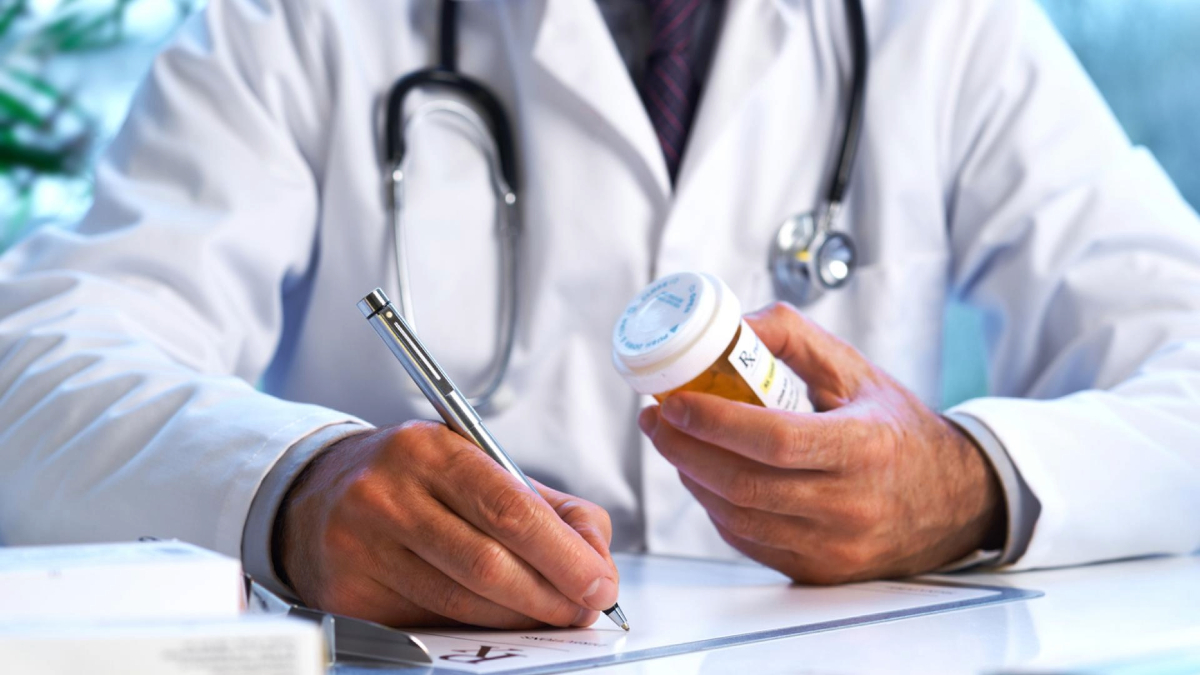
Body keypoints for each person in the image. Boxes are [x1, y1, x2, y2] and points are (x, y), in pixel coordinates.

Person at [1, 0, 1198, 630]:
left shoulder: (942, 25)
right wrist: (293, 489)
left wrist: (966, 484)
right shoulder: (298, 20)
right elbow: (35, 368)